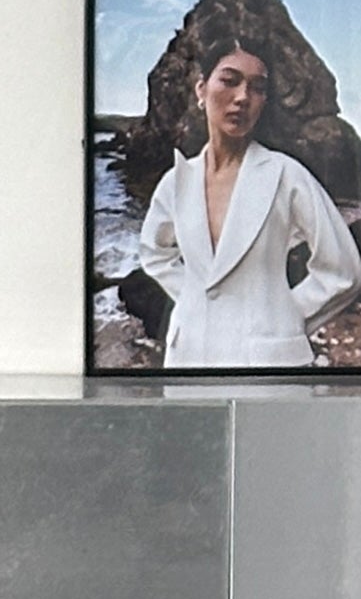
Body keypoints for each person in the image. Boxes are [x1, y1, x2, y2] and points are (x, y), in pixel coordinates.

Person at [137, 24, 361, 367]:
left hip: (267, 362)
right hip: (190, 355)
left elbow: (342, 269)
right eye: (230, 80)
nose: (243, 97)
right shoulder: (177, 181)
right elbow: (154, 252)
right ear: (201, 89)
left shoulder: (286, 175)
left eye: (257, 88)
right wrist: (195, 297)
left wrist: (283, 316)